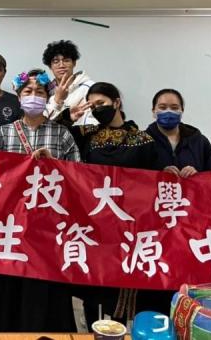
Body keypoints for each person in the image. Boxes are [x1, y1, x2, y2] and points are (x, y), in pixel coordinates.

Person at [0, 68, 80, 333]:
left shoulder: (62, 135)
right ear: (18, 97)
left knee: (42, 294)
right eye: (28, 91)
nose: (34, 96)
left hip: (46, 230)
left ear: (48, 97)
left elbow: (79, 179)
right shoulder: (3, 133)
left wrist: (54, 166)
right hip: (7, 228)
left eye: (40, 92)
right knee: (4, 293)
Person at [62, 82, 166, 328]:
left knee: (121, 278)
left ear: (117, 102)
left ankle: (117, 329)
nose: (98, 109)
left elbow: (155, 178)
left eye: (102, 103)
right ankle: (92, 327)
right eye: (93, 105)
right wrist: (69, 115)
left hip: (130, 222)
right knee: (92, 279)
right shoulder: (86, 134)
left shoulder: (143, 139)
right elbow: (56, 133)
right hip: (94, 220)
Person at [146, 88, 211, 176]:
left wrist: (197, 175)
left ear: (182, 111)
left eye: (174, 108)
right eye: (162, 107)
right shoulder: (141, 142)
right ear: (153, 110)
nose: (168, 111)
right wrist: (159, 175)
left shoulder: (200, 141)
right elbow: (135, 177)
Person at [41, 40, 97, 126]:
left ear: (74, 63)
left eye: (66, 60)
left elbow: (94, 121)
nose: (61, 65)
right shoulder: (45, 91)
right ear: (50, 66)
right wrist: (57, 100)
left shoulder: (90, 88)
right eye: (56, 61)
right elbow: (42, 122)